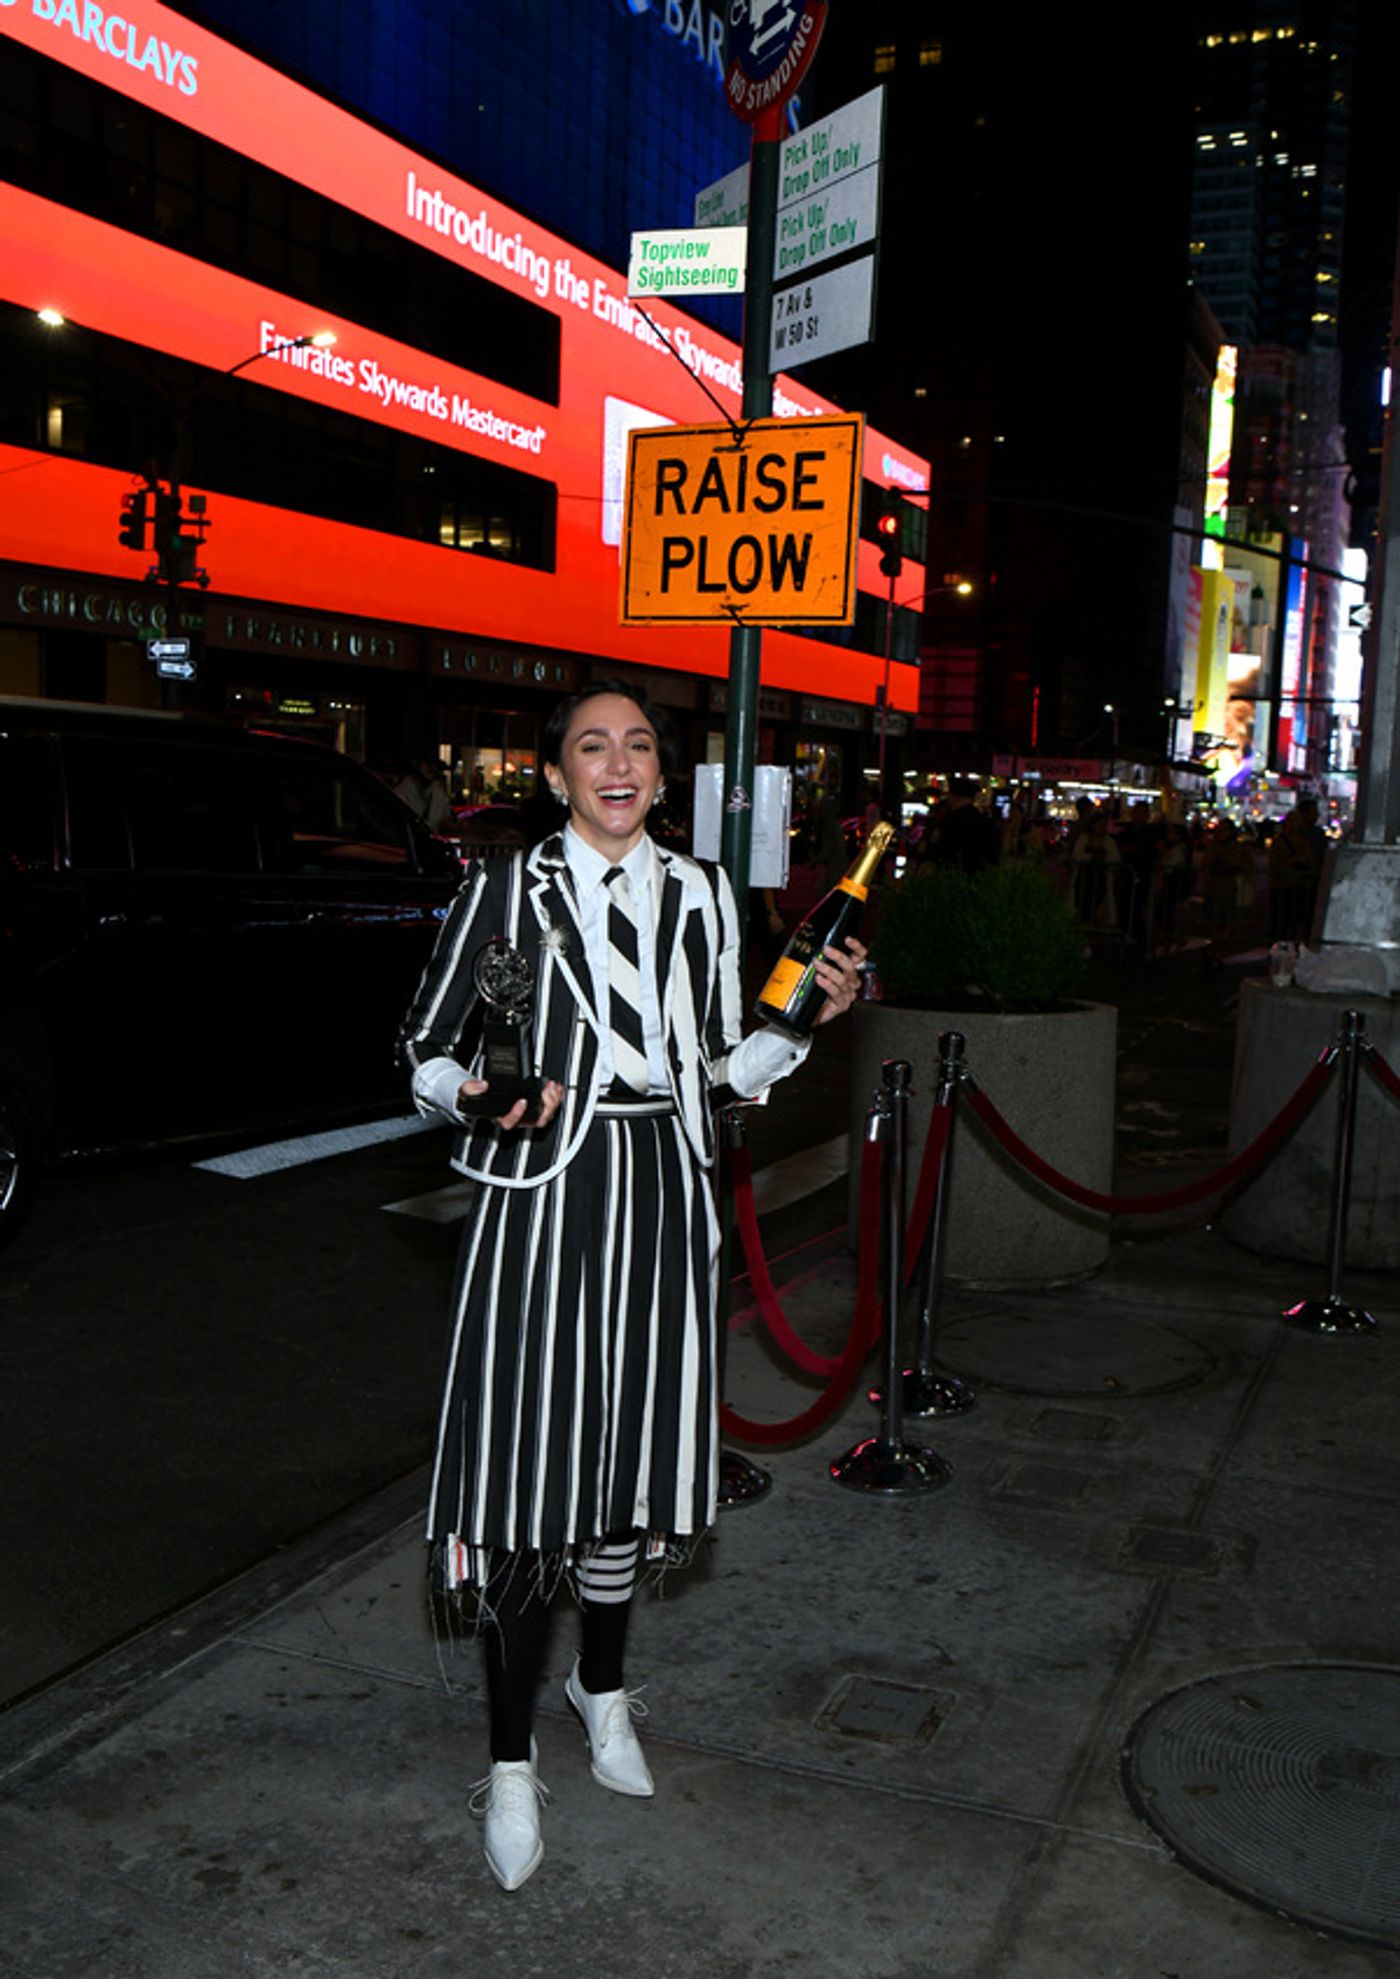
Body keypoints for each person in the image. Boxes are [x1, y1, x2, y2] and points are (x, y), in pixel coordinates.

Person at [398, 682, 863, 1892]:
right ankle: (508, 1758)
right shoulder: (505, 886)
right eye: (590, 746)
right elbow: (424, 1047)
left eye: (639, 745)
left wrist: (801, 1019)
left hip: (664, 1184)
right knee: (525, 1468)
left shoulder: (704, 893)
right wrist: (477, 1096)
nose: (617, 764)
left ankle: (600, 1686)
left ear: (663, 772)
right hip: (542, 1196)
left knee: (628, 1459)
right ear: (555, 773)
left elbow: (716, 1067)